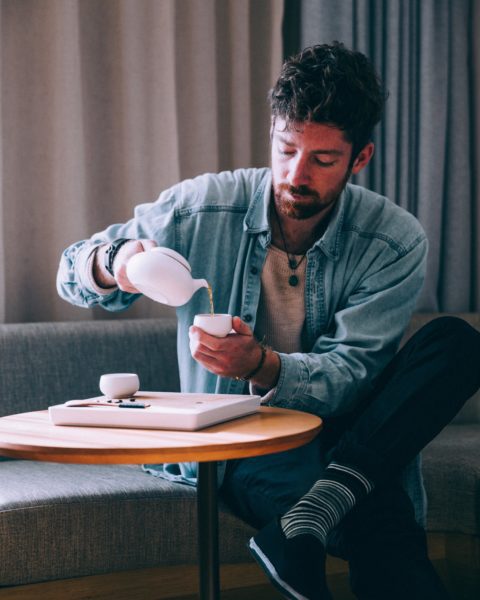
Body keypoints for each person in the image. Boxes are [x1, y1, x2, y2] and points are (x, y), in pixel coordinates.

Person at [57, 42, 480, 599]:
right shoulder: (203, 207)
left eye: (322, 160)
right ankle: (319, 510)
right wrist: (118, 263)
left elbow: (352, 372)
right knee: (380, 519)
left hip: (353, 431)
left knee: (457, 343)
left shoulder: (392, 239)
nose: (295, 174)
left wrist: (263, 364)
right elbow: (71, 270)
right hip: (250, 438)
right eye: (285, 149)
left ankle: (312, 513)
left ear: (361, 157)